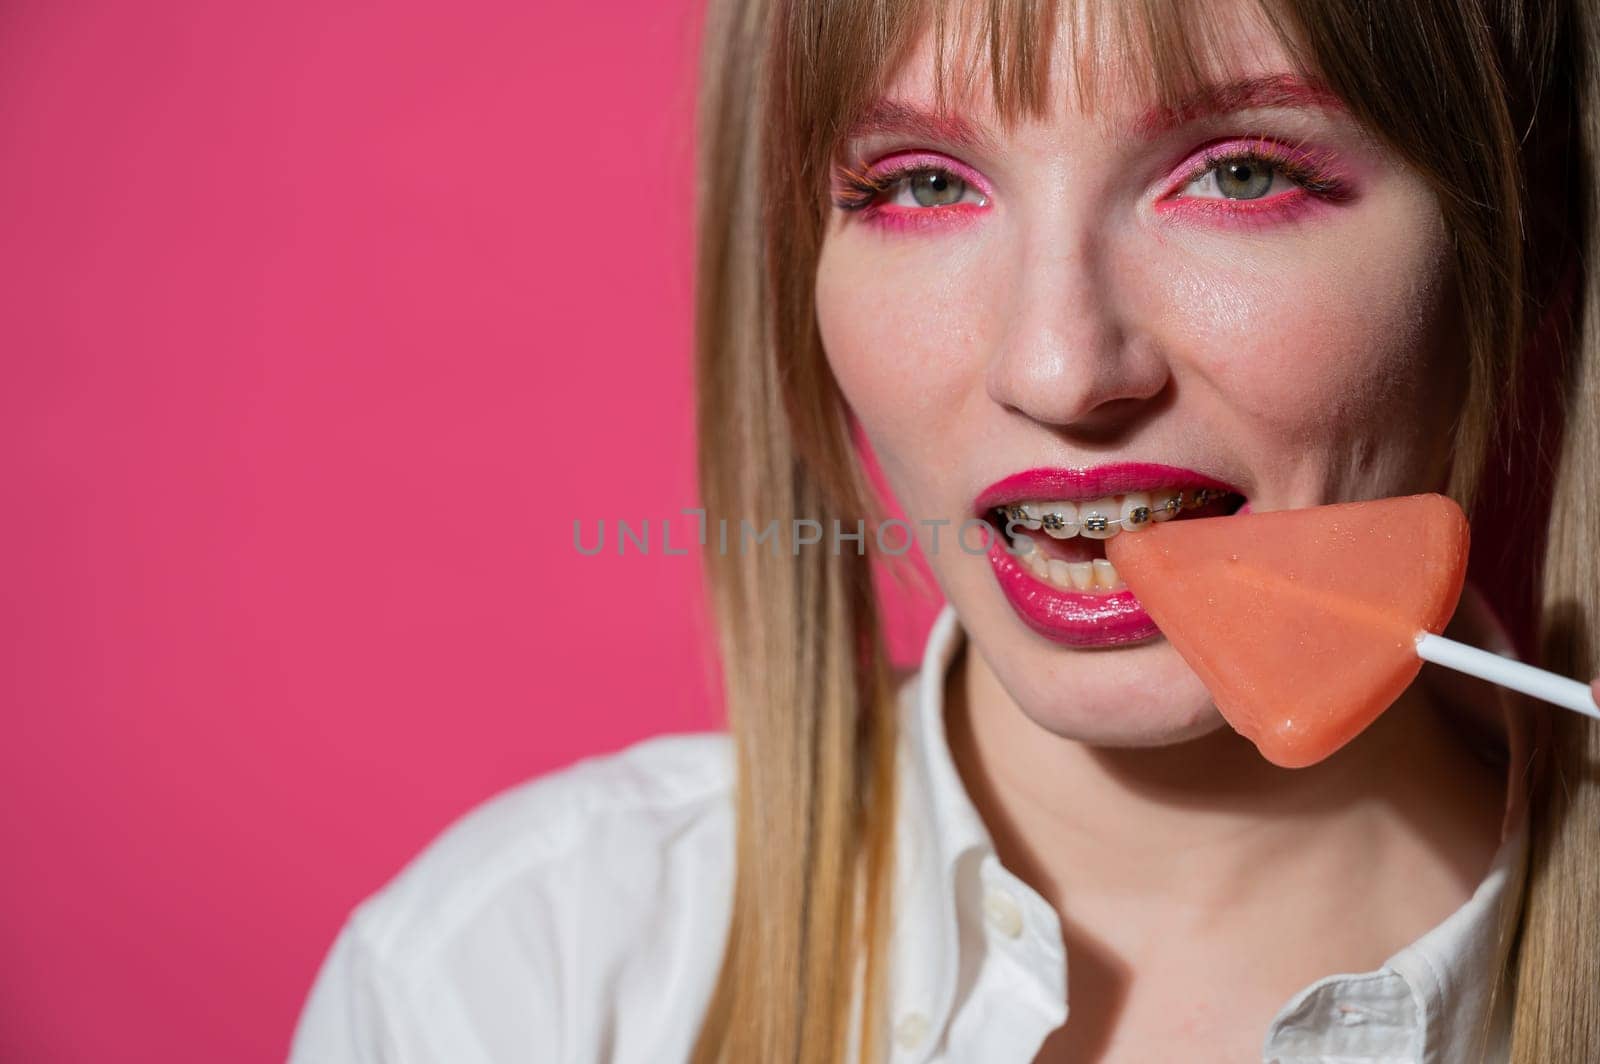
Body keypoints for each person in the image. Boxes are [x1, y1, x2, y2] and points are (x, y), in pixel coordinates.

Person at [287, 0, 1600, 1060]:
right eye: (923, 183)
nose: (1056, 367)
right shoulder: (508, 986)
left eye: (1239, 173)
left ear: (1529, 237)